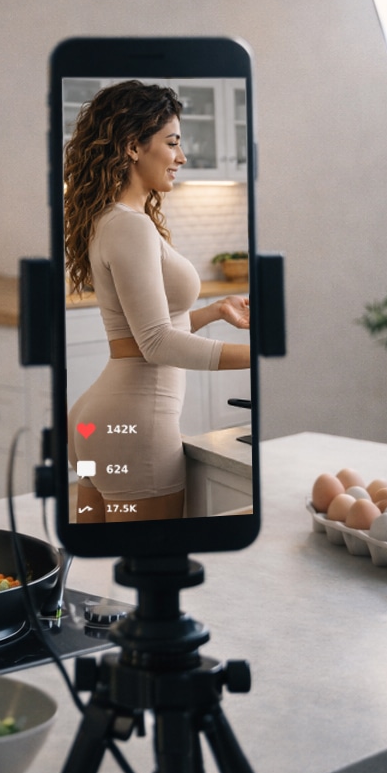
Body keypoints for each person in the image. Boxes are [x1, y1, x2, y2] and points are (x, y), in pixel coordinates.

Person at [63, 80, 249, 524]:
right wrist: (261, 358)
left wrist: (213, 311)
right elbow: (157, 343)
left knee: (98, 564)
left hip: (100, 421)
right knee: (147, 562)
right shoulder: (130, 226)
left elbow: (142, 331)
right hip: (135, 426)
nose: (181, 157)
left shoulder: (113, 219)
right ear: (133, 147)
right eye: (172, 142)